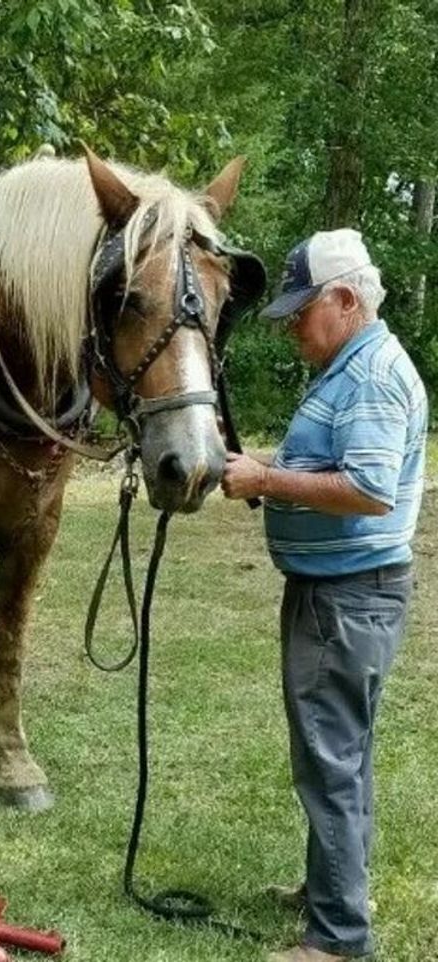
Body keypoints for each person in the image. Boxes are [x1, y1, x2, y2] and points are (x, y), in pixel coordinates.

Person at [222, 229, 428, 962]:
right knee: (345, 750)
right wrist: (264, 465)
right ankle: (333, 889)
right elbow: (335, 460)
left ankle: (337, 940)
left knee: (329, 757)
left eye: (300, 313)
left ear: (344, 299)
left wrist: (267, 481)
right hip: (346, 594)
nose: (290, 330)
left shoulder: (368, 376)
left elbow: (368, 489)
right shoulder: (355, 364)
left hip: (345, 596)